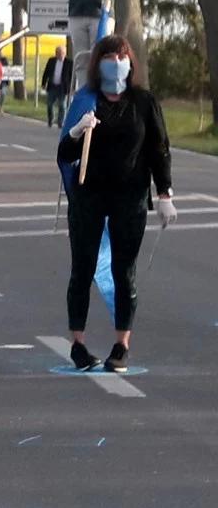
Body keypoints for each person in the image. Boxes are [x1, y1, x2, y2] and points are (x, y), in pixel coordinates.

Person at [57, 34, 174, 373]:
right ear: (98, 62)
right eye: (109, 56)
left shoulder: (143, 102)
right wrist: (77, 132)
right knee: (83, 269)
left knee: (125, 272)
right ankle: (77, 344)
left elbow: (159, 149)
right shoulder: (86, 100)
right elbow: (64, 154)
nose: (116, 62)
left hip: (130, 197)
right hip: (88, 197)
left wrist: (164, 192)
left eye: (122, 56)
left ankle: (121, 344)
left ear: (130, 62)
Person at [42, 45, 72, 128]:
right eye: (57, 53)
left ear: (65, 53)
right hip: (52, 86)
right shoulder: (51, 61)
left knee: (62, 105)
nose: (59, 55)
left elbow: (72, 76)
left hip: (63, 88)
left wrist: (72, 87)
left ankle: (60, 122)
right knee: (49, 104)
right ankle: (50, 119)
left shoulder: (69, 62)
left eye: (61, 53)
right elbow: (46, 72)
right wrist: (44, 83)